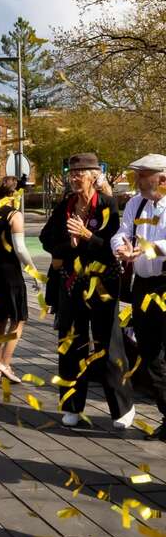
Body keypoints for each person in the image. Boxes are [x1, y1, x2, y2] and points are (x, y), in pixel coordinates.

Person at [40, 152, 135, 429]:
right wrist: (67, 245)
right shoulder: (66, 205)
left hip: (103, 282)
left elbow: (111, 248)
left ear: (94, 177)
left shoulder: (107, 204)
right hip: (72, 283)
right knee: (71, 343)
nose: (73, 178)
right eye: (71, 173)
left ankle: (122, 408)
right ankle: (72, 406)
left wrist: (87, 236)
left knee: (109, 344)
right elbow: (46, 239)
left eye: (79, 173)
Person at [111, 154, 166, 441]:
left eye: (143, 175)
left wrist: (146, 248)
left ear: (162, 178)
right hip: (144, 287)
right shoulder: (136, 203)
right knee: (148, 353)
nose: (137, 180)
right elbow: (121, 233)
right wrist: (120, 247)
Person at [0, 177, 40, 383]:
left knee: (0, 318)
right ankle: (5, 362)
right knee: (18, 318)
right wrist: (33, 271)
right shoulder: (15, 215)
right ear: (15, 194)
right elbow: (20, 248)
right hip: (10, 271)